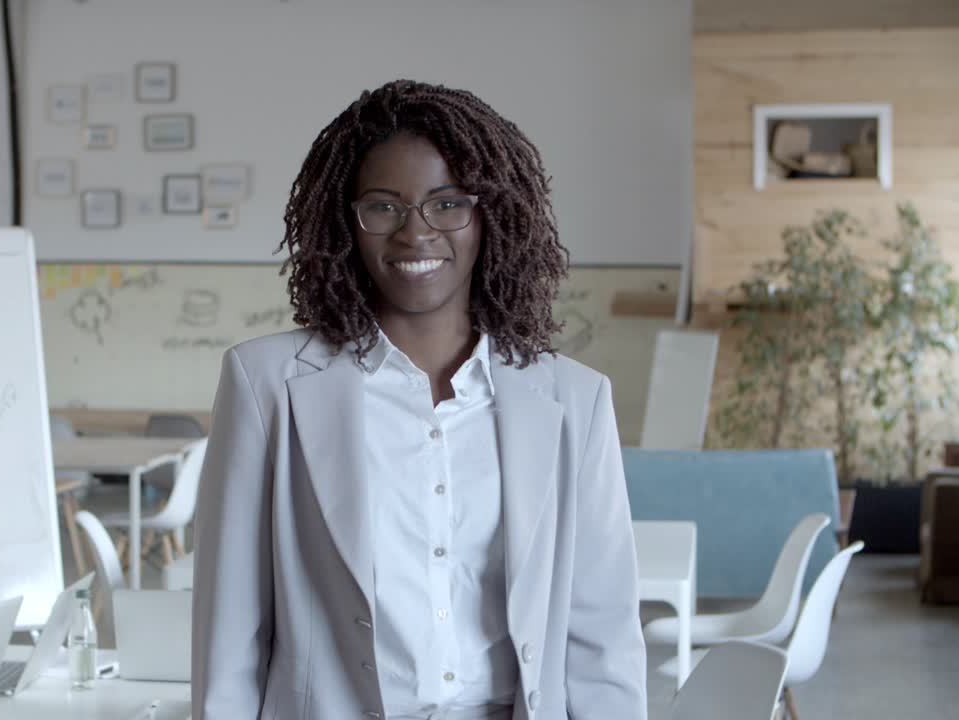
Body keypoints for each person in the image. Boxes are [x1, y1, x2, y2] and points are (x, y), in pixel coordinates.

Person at [192, 79, 646, 720]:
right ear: (343, 221)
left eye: (447, 204)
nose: (415, 233)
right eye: (382, 207)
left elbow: (602, 638)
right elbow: (229, 629)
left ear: (491, 215)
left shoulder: (576, 400)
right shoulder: (266, 385)